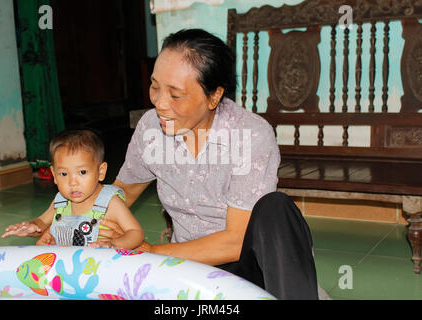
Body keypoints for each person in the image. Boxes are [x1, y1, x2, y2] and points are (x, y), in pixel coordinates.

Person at [43, 29, 319, 300]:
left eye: (175, 95)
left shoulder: (250, 135)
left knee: (276, 208)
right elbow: (120, 193)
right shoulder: (151, 129)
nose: (160, 104)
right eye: (154, 86)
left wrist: (151, 250)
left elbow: (236, 241)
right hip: (186, 266)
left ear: (214, 96)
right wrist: (69, 227)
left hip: (249, 268)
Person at [1, 129, 144, 249]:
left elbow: (135, 233)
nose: (72, 182)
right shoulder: (61, 202)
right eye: (63, 174)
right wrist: (32, 227)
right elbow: (42, 222)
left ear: (100, 172)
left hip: (100, 271)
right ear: (54, 175)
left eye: (82, 172)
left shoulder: (111, 202)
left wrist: (114, 243)